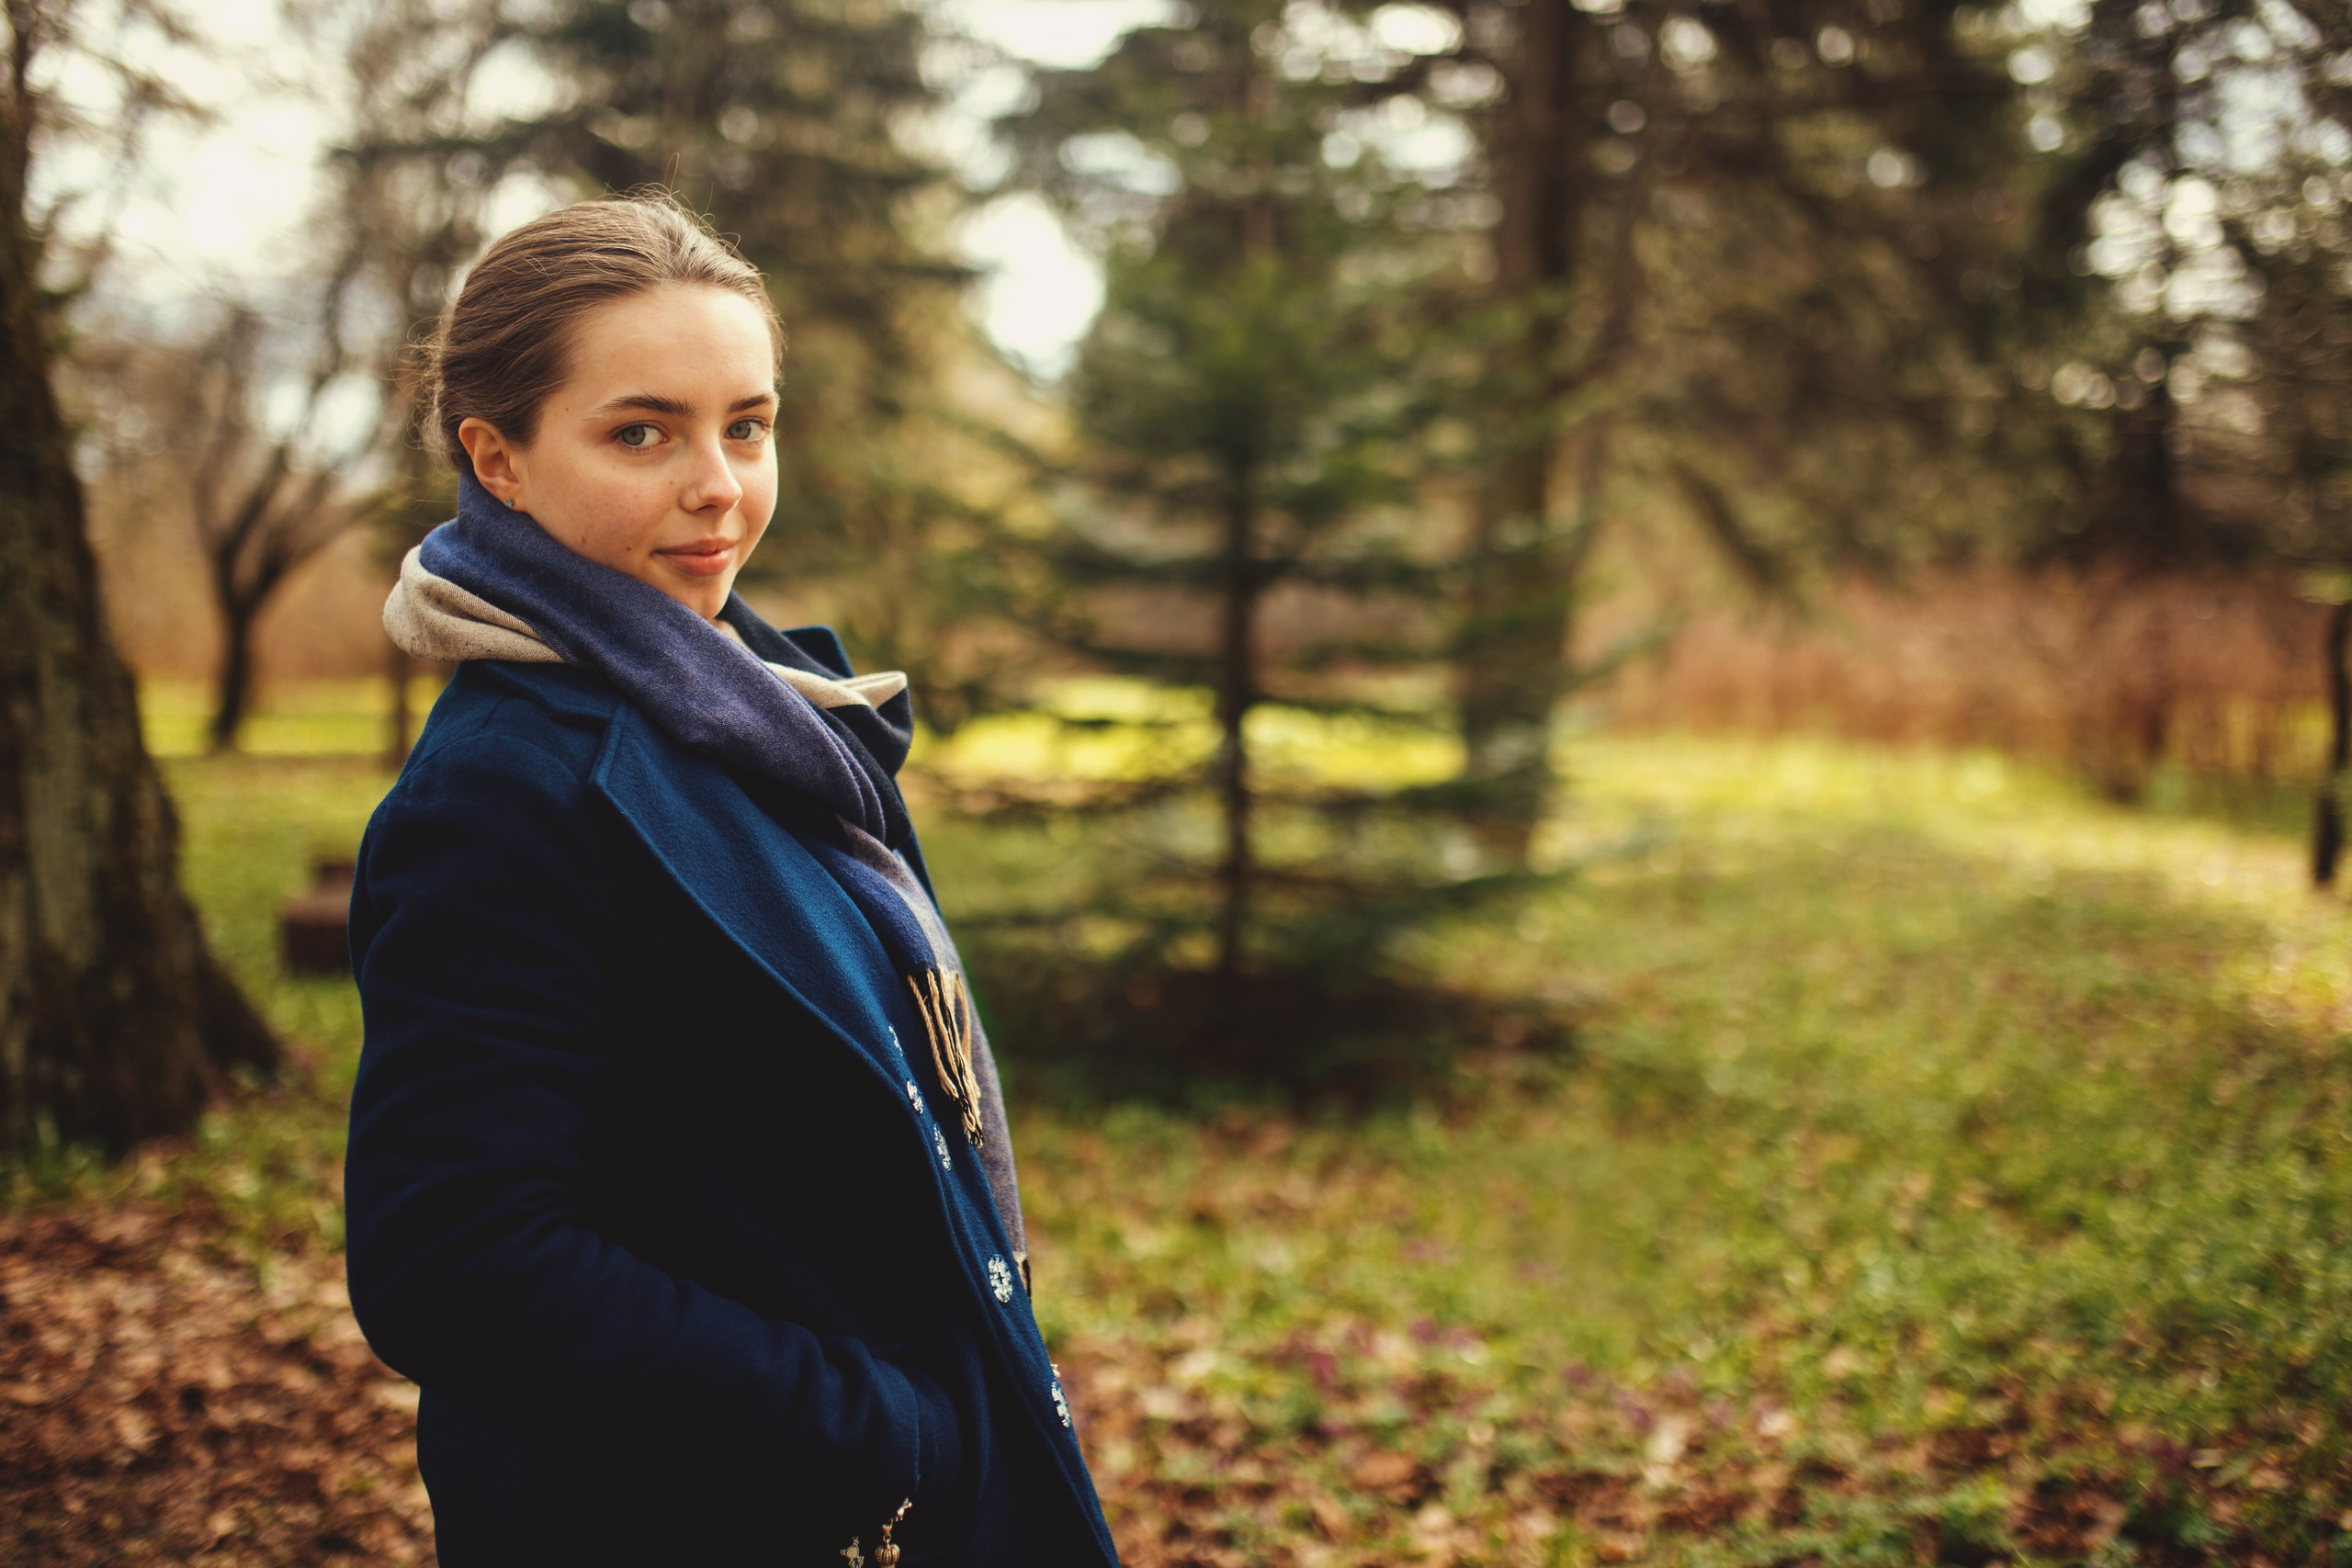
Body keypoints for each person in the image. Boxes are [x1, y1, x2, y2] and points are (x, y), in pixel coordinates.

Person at [344, 194, 1118, 1568]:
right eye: (642, 432)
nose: (719, 485)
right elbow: (454, 1263)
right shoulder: (505, 796)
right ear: (499, 458)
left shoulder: (775, 721)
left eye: (745, 425)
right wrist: (882, 1440)